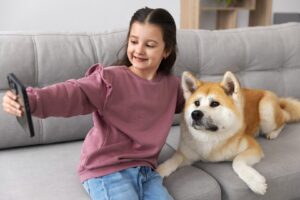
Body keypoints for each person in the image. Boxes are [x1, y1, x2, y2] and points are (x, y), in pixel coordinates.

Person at [2, 7, 184, 200]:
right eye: (133, 41)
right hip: (106, 168)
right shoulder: (109, 79)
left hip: (146, 170)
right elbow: (73, 93)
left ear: (167, 50)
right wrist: (30, 99)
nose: (138, 50)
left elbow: (196, 104)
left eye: (150, 45)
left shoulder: (172, 86)